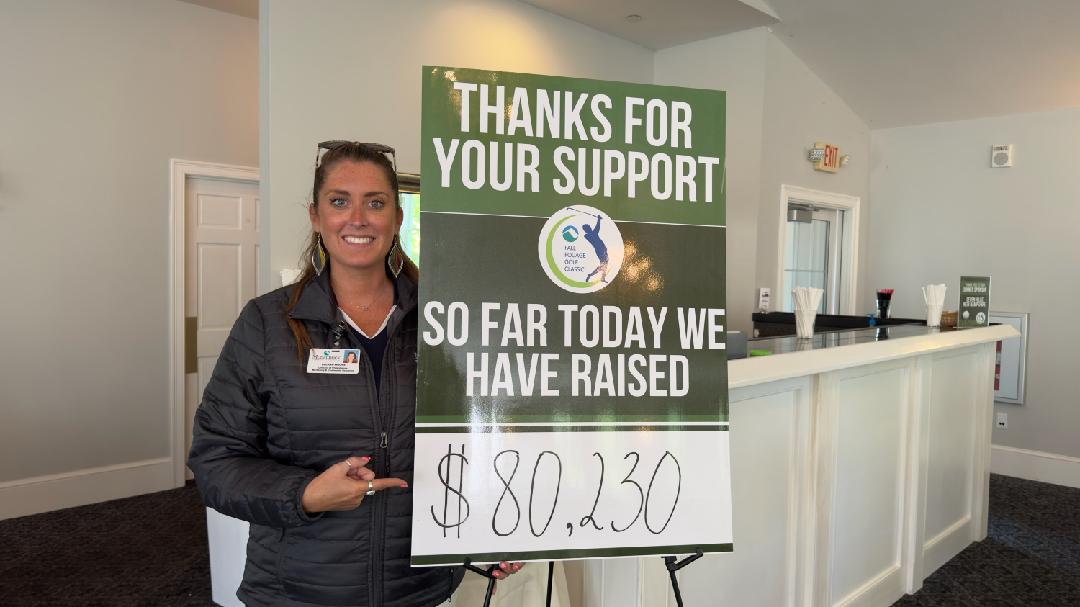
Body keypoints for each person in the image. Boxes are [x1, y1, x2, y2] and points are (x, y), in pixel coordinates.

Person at [188, 141, 521, 607]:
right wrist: (303, 494)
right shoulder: (267, 323)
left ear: (398, 216)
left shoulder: (448, 322)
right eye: (339, 201)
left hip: (418, 591)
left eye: (376, 203)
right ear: (315, 215)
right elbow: (215, 461)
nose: (358, 218)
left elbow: (480, 438)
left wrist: (492, 525)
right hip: (296, 591)